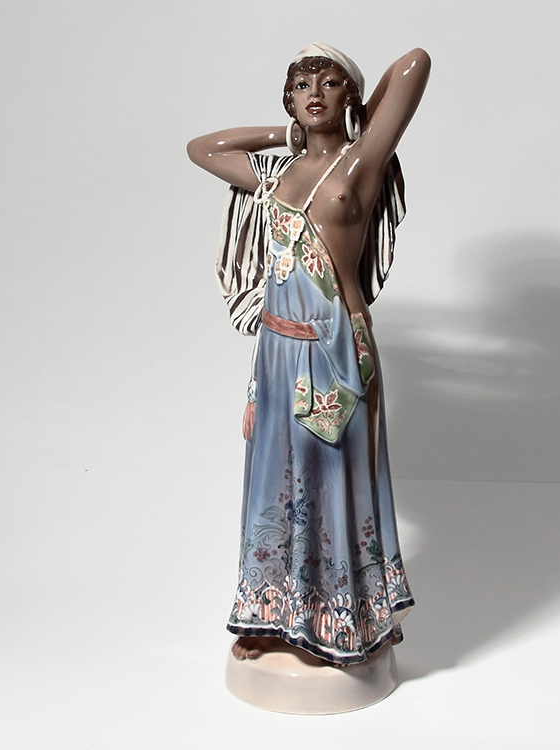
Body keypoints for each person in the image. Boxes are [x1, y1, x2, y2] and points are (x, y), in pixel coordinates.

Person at [187, 43, 430, 666]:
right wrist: (285, 134)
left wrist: (361, 115)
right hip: (276, 348)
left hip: (334, 348)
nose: (314, 93)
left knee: (332, 482)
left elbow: (414, 64)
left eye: (329, 82)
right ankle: (273, 612)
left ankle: (340, 619)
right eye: (301, 85)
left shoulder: (361, 162)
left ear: (350, 94)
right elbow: (202, 149)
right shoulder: (276, 175)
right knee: (274, 482)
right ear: (288, 100)